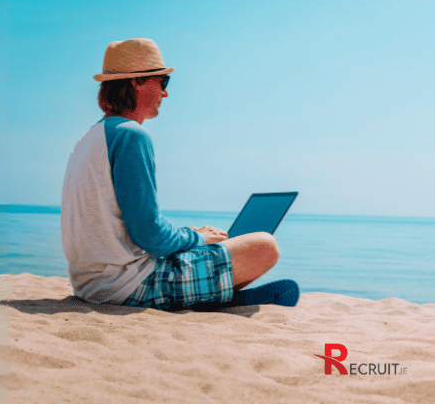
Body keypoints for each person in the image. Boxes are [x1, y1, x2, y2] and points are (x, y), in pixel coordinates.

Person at [60, 38, 298, 311]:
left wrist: (188, 234)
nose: (165, 93)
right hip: (127, 286)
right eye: (163, 82)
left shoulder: (90, 137)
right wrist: (199, 238)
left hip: (91, 285)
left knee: (215, 243)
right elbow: (149, 235)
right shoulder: (130, 135)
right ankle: (224, 300)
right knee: (264, 246)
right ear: (136, 82)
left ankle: (220, 297)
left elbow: (129, 227)